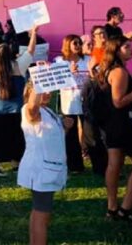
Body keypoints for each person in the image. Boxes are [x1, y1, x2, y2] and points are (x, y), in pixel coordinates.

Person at [99, 36, 132, 226]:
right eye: (127, 47)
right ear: (117, 50)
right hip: (124, 124)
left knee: (115, 164)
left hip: (112, 124)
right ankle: (125, 208)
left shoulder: (111, 70)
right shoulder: (119, 71)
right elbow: (118, 101)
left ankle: (112, 207)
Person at [0, 26, 38, 177]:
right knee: (17, 134)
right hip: (16, 107)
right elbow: (31, 50)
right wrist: (33, 34)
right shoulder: (18, 65)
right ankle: (16, 162)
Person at [18, 83, 69, 245]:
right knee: (42, 214)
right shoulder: (30, 109)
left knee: (38, 212)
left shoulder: (47, 110)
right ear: (31, 92)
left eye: (48, 89)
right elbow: (33, 107)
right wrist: (39, 81)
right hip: (41, 170)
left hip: (48, 169)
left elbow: (51, 137)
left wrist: (65, 127)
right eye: (42, 89)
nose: (47, 93)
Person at [56, 35, 89, 174]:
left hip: (86, 103)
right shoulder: (60, 62)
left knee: (91, 134)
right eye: (74, 43)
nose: (77, 45)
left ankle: (99, 163)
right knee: (71, 136)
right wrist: (70, 73)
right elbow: (56, 82)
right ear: (67, 45)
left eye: (79, 43)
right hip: (69, 103)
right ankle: (74, 166)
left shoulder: (88, 60)